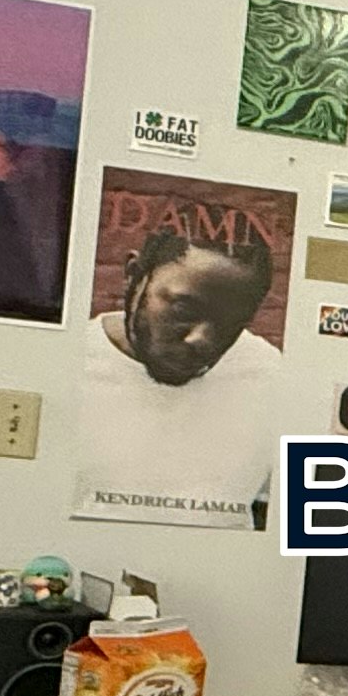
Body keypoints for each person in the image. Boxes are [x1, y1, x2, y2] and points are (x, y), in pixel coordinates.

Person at [72, 220, 286, 525]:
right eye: (184, 309)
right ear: (134, 275)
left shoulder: (270, 375)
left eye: (233, 322)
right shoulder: (64, 362)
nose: (202, 340)